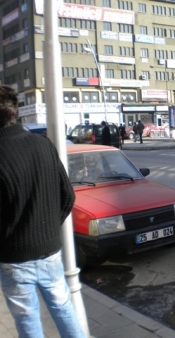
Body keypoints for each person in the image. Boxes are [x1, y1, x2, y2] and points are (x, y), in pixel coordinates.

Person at [0, 85, 85, 338]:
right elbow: (67, 196)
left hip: (12, 257)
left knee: (27, 320)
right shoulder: (42, 144)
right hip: (49, 251)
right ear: (16, 112)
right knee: (63, 308)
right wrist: (47, 229)